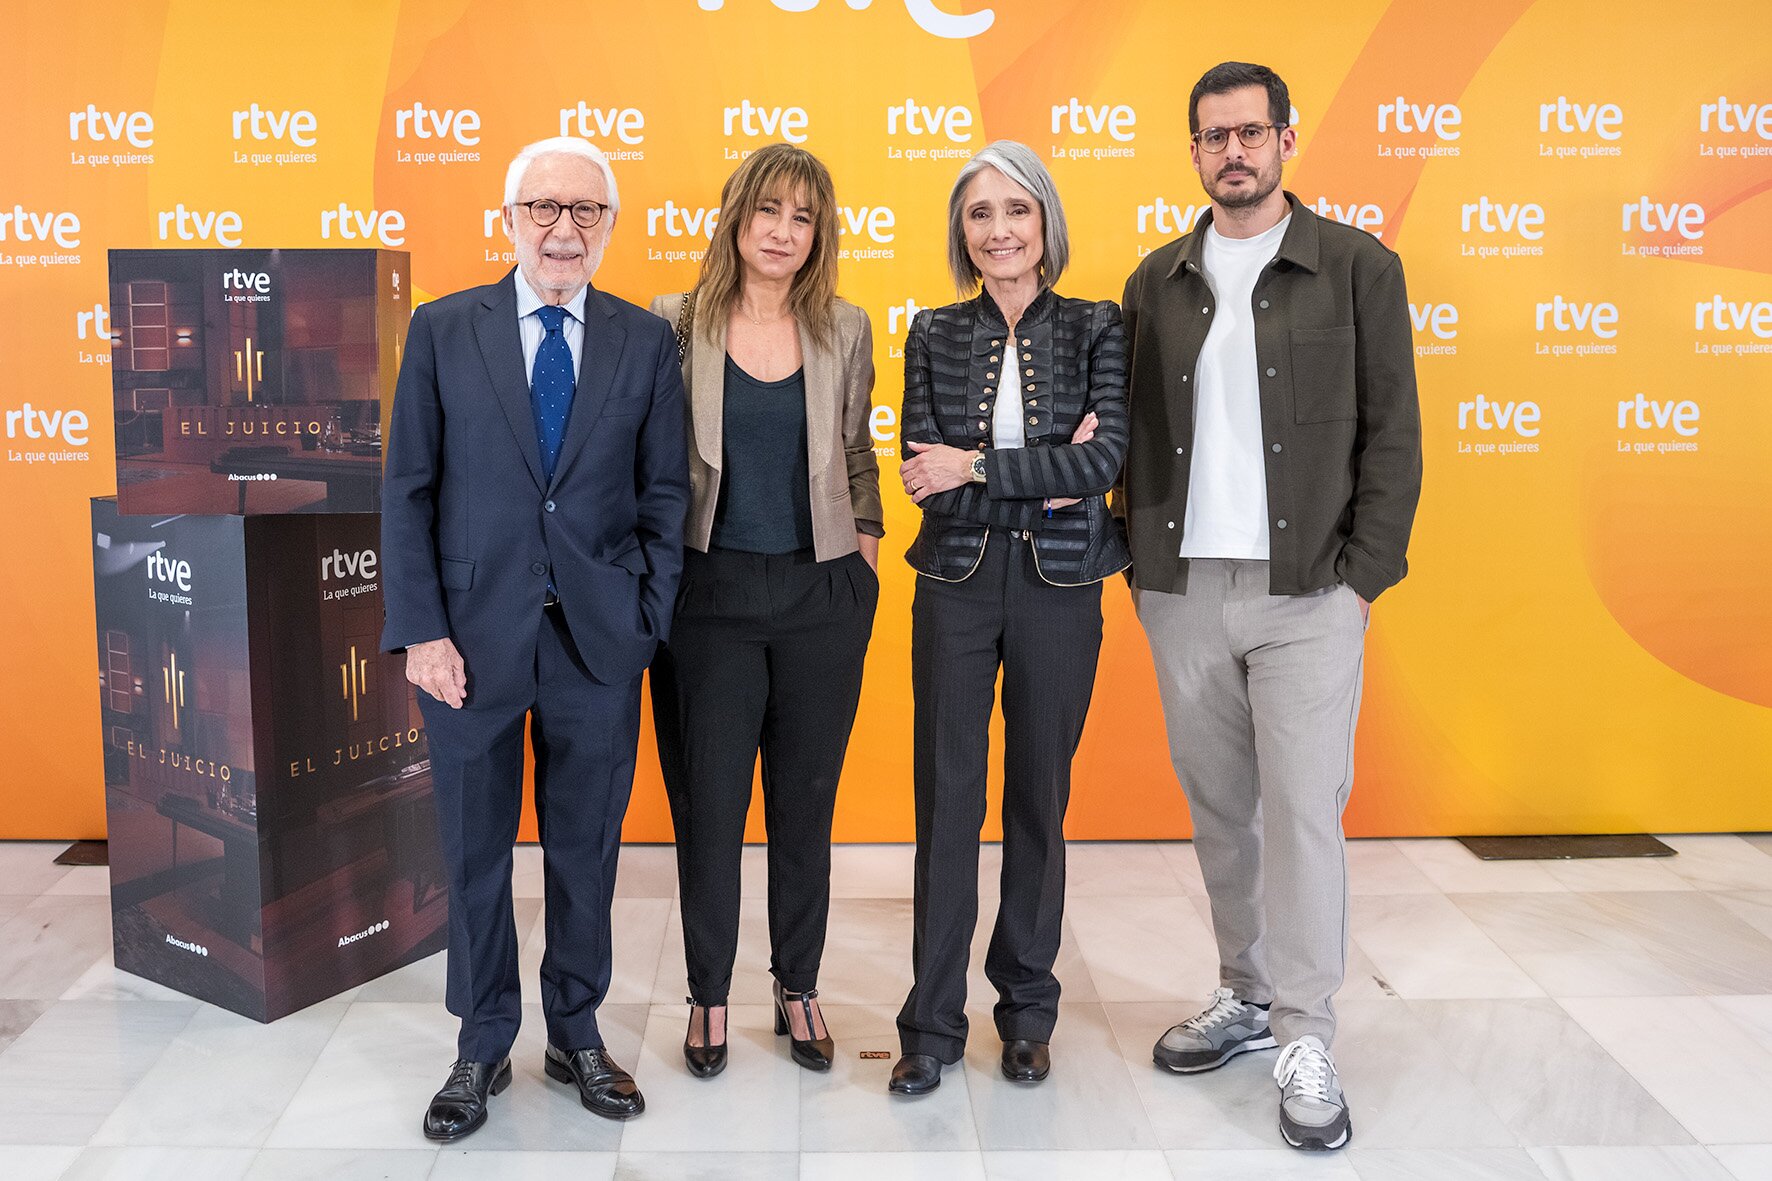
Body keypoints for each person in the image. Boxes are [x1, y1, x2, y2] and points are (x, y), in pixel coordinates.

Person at [1119, 63, 1423, 1151]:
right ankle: (1242, 992)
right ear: (1193, 151)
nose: (1231, 151)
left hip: (1306, 592)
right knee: (1220, 811)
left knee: (1300, 812)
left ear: (1285, 140)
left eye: (1249, 131)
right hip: (1181, 587)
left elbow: (1392, 431)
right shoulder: (1154, 279)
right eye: (1211, 137)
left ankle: (1303, 1029)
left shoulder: (1353, 266)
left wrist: (1359, 576)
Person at [381, 135, 689, 1140]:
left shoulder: (643, 342)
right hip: (465, 644)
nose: (564, 229)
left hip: (598, 642)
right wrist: (420, 629)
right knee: (472, 848)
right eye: (544, 208)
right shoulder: (441, 330)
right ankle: (480, 1043)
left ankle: (575, 1029)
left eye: (586, 211)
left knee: (584, 849)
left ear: (607, 225)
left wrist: (646, 619)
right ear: (507, 218)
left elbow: (661, 497)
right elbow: (408, 491)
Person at [888, 141, 1129, 1096]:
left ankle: (1027, 1013)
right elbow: (923, 484)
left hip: (1064, 591)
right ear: (963, 232)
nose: (999, 231)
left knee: (1039, 799)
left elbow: (1101, 463)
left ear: (1046, 224)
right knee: (946, 805)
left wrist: (978, 462)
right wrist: (1041, 474)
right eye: (980, 214)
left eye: (1016, 211)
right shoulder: (932, 331)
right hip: (954, 585)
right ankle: (930, 1027)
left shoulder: (1099, 326)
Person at [646, 142, 883, 1078]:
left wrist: (861, 561)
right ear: (737, 218)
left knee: (805, 803)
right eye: (769, 212)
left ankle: (798, 986)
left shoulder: (846, 325)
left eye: (803, 217)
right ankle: (709, 995)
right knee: (710, 808)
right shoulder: (675, 322)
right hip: (707, 601)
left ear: (818, 232)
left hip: (822, 596)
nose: (785, 233)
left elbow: (858, 452)